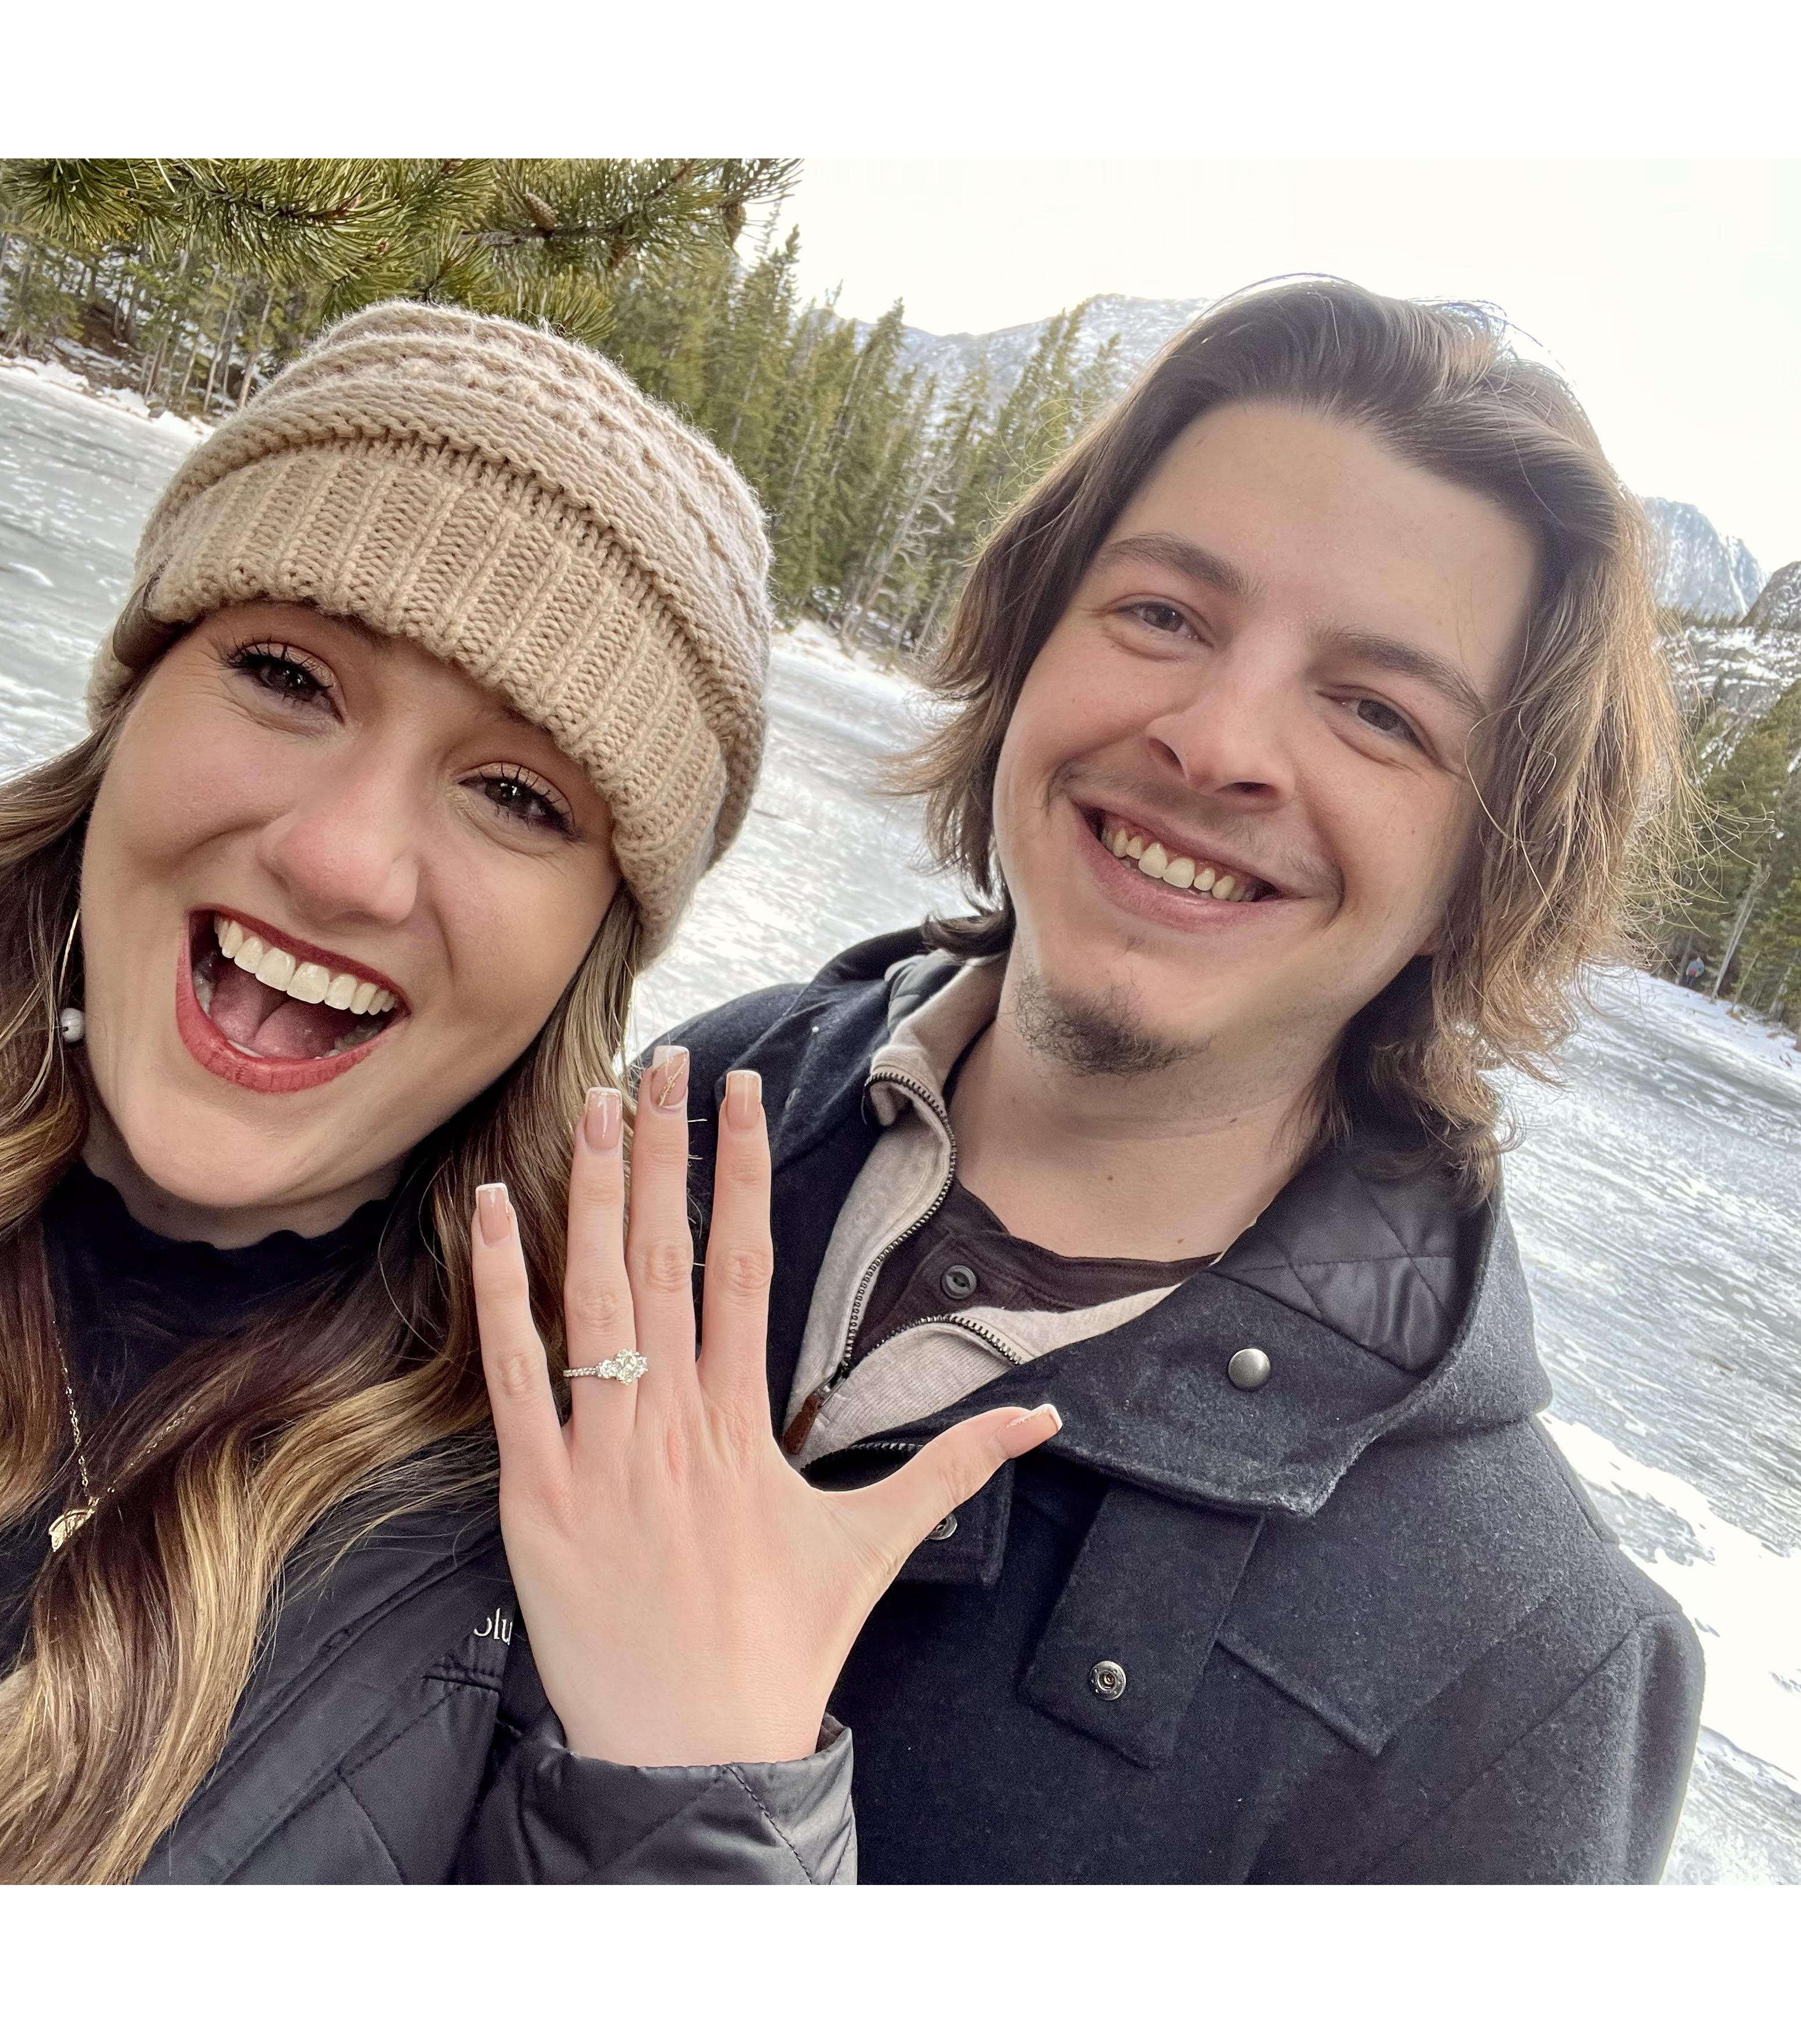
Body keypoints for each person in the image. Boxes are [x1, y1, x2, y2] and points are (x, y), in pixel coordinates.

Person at [0, 302, 1053, 1884]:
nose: (340, 860)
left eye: (516, 796)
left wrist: (698, 1794)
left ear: (599, 938)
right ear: (134, 697)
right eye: (289, 676)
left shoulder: (564, 1520)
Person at [667, 279, 1705, 1882]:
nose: (1219, 741)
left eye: (1374, 710)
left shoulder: (1518, 1670)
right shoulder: (705, 1096)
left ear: (1490, 860)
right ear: (1030, 644)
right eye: (1165, 615)